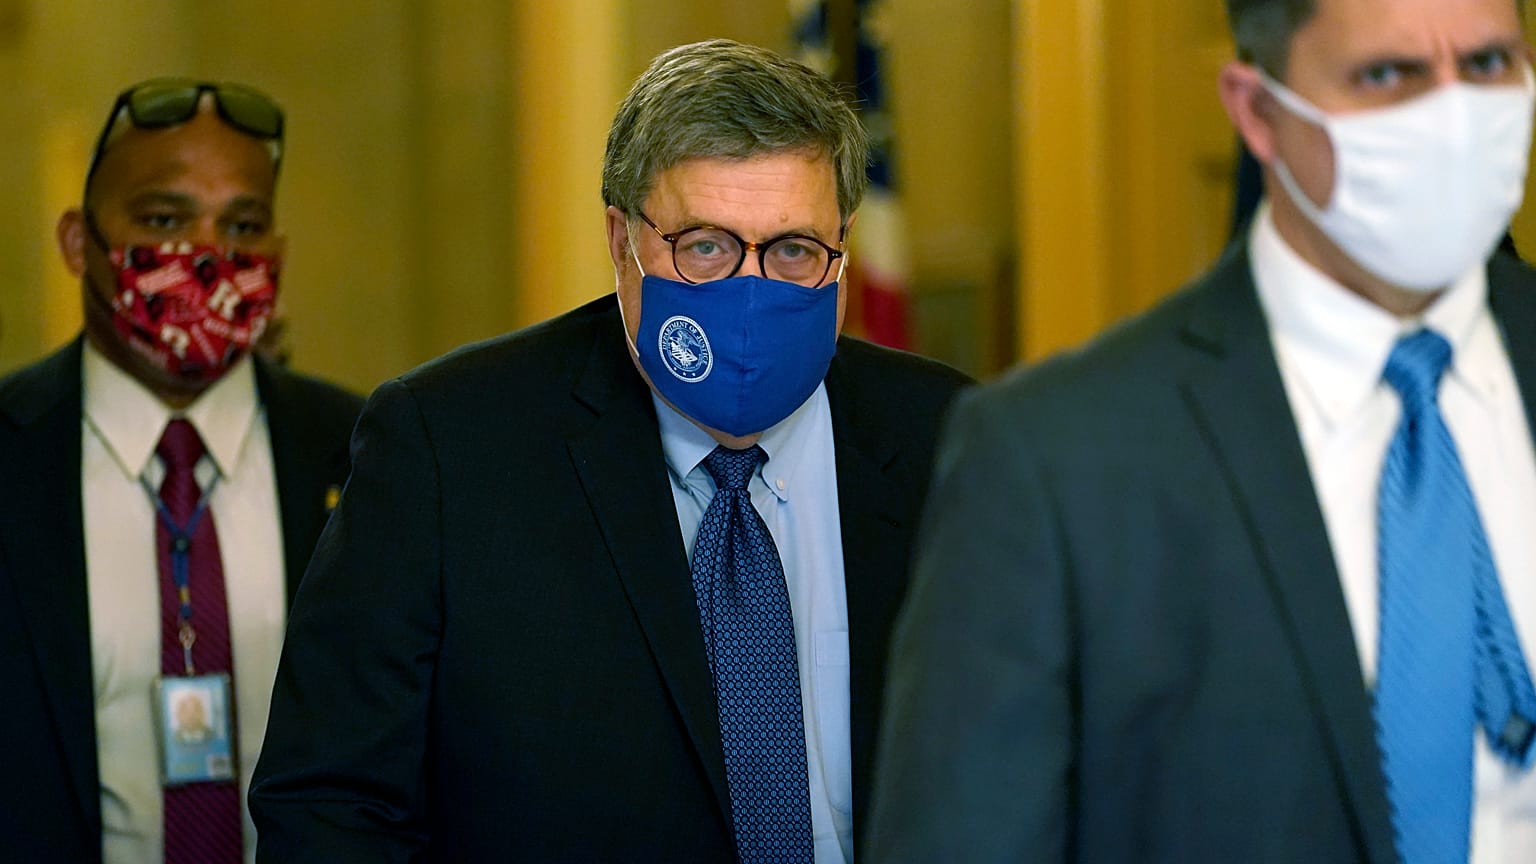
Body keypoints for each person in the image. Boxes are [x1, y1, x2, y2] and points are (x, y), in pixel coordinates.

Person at [249, 38, 968, 863]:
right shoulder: (448, 448)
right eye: (704, 247)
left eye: (793, 252)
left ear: (842, 244)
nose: (750, 290)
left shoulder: (950, 439)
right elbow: (332, 805)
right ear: (621, 239)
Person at [869, 0, 1536, 861]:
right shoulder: (1055, 461)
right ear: (1258, 112)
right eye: (1386, 74)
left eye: (1486, 65)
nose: (1450, 117)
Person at [0, 79, 363, 864]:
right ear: (77, 242)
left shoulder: (368, 453)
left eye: (242, 224)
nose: (206, 255)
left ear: (278, 255)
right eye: (163, 219)